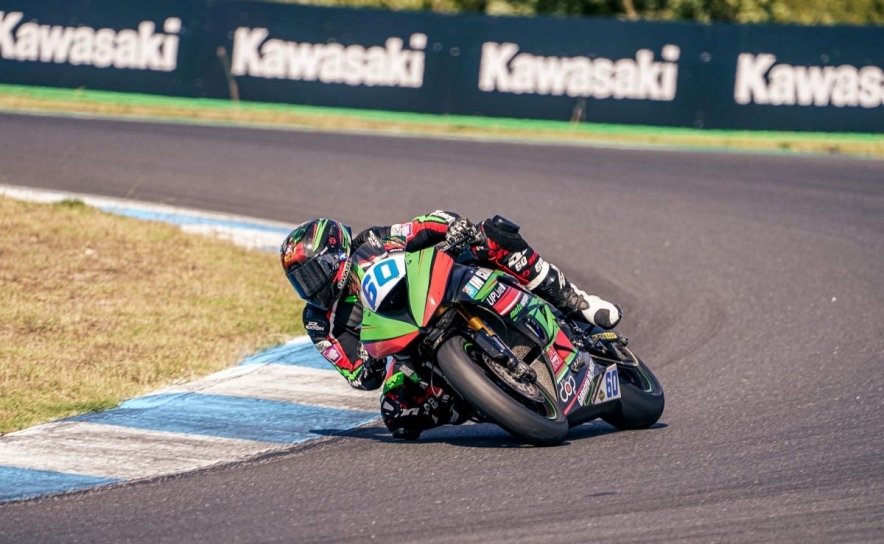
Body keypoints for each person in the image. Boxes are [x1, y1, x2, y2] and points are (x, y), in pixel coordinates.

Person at [280, 212, 621, 439]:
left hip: (443, 287)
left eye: (312, 273)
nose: (311, 287)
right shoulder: (317, 322)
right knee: (396, 412)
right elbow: (354, 374)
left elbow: (421, 226)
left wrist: (453, 227)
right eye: (301, 282)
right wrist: (368, 364)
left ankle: (577, 303)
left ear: (336, 253)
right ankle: (475, 400)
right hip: (405, 348)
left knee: (492, 235)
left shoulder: (373, 243)